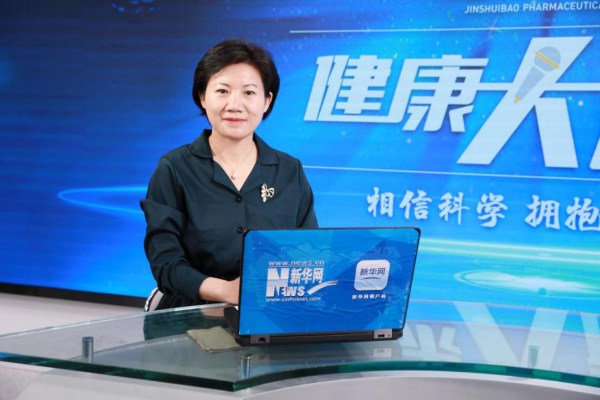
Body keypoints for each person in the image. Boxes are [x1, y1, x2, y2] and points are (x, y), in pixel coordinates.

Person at [141, 39, 318, 310]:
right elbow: (165, 263)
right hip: (191, 316)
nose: (235, 105)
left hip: (271, 314)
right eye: (222, 91)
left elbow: (309, 254)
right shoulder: (174, 168)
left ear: (267, 101)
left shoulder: (289, 170)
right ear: (203, 96)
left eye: (249, 93)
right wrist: (227, 291)